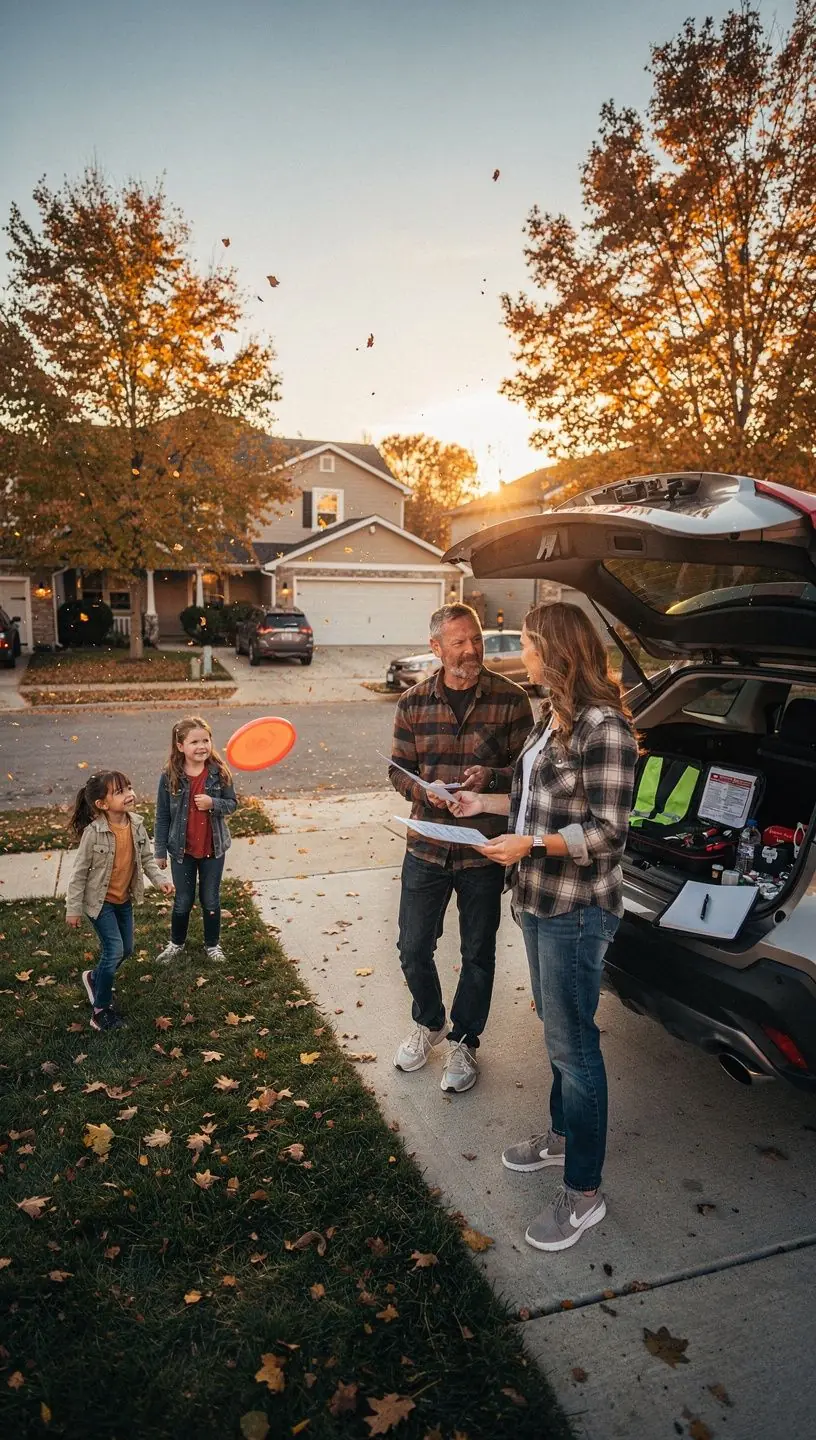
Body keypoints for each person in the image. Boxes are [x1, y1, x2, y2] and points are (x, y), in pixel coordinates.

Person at [450, 602, 638, 1250]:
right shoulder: (548, 718)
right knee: (557, 1033)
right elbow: (532, 801)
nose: (520, 652)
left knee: (574, 1047)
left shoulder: (603, 727)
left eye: (528, 642)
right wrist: (484, 804)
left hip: (576, 910)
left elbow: (609, 833)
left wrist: (529, 847)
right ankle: (561, 1138)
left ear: (555, 650)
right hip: (532, 899)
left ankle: (584, 1194)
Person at [388, 603, 532, 1094]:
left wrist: (491, 777)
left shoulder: (511, 700)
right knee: (412, 948)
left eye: (476, 640)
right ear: (436, 648)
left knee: (478, 952)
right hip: (426, 847)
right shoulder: (411, 703)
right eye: (458, 642)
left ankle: (465, 1041)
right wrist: (420, 790)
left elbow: (531, 778)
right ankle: (429, 1023)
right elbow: (396, 770)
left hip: (483, 852)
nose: (471, 650)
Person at [65, 770, 173, 1032]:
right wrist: (73, 909)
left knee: (127, 950)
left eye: (129, 788)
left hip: (123, 899)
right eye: (120, 791)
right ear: (102, 804)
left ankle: (94, 977)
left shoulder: (136, 824)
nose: (129, 794)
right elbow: (79, 873)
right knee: (113, 950)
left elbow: (147, 859)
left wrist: (161, 880)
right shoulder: (94, 833)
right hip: (99, 903)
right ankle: (100, 1010)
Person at [154, 716, 237, 964]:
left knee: (210, 899)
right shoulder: (170, 776)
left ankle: (212, 945)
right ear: (180, 746)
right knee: (183, 900)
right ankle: (176, 943)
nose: (201, 746)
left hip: (213, 848)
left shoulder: (219, 774)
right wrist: (159, 851)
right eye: (194, 742)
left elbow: (232, 804)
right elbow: (163, 815)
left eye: (206, 740)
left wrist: (214, 803)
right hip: (183, 851)